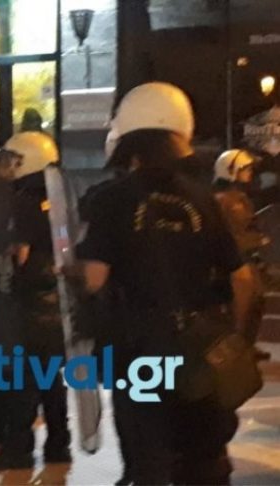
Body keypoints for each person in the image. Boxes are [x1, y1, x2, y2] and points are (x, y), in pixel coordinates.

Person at [73, 82, 258, 484]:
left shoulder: (109, 199)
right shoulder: (205, 200)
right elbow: (244, 280)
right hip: (200, 348)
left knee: (149, 456)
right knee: (204, 457)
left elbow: (94, 279)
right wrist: (235, 339)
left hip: (138, 350)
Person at [0, 132, 71, 469]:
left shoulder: (23, 201)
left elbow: (21, 253)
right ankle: (59, 444)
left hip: (31, 302)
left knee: (23, 381)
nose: (6, 167)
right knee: (51, 379)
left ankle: (18, 448)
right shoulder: (59, 196)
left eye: (12, 160)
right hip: (58, 303)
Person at [213, 149, 271, 360]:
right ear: (231, 170)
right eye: (245, 168)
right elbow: (223, 234)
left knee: (256, 303)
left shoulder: (241, 197)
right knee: (239, 309)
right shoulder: (220, 200)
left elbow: (249, 226)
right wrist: (253, 241)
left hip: (248, 258)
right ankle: (234, 352)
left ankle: (247, 346)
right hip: (234, 262)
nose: (249, 172)